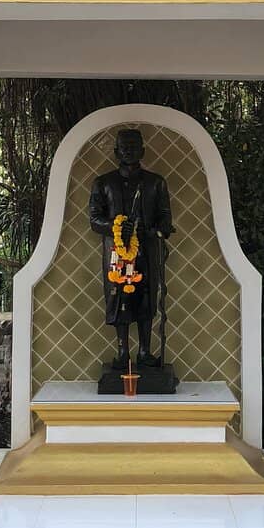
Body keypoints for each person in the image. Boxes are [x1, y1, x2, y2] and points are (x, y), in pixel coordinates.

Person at [88, 129, 173, 370]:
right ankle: (122, 350)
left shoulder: (156, 183)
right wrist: (114, 227)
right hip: (116, 251)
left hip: (146, 249)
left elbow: (166, 220)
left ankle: (145, 351)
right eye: (124, 147)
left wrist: (152, 229)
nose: (129, 151)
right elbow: (94, 220)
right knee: (118, 296)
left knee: (147, 297)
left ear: (143, 151)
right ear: (116, 152)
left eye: (134, 146)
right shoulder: (103, 183)